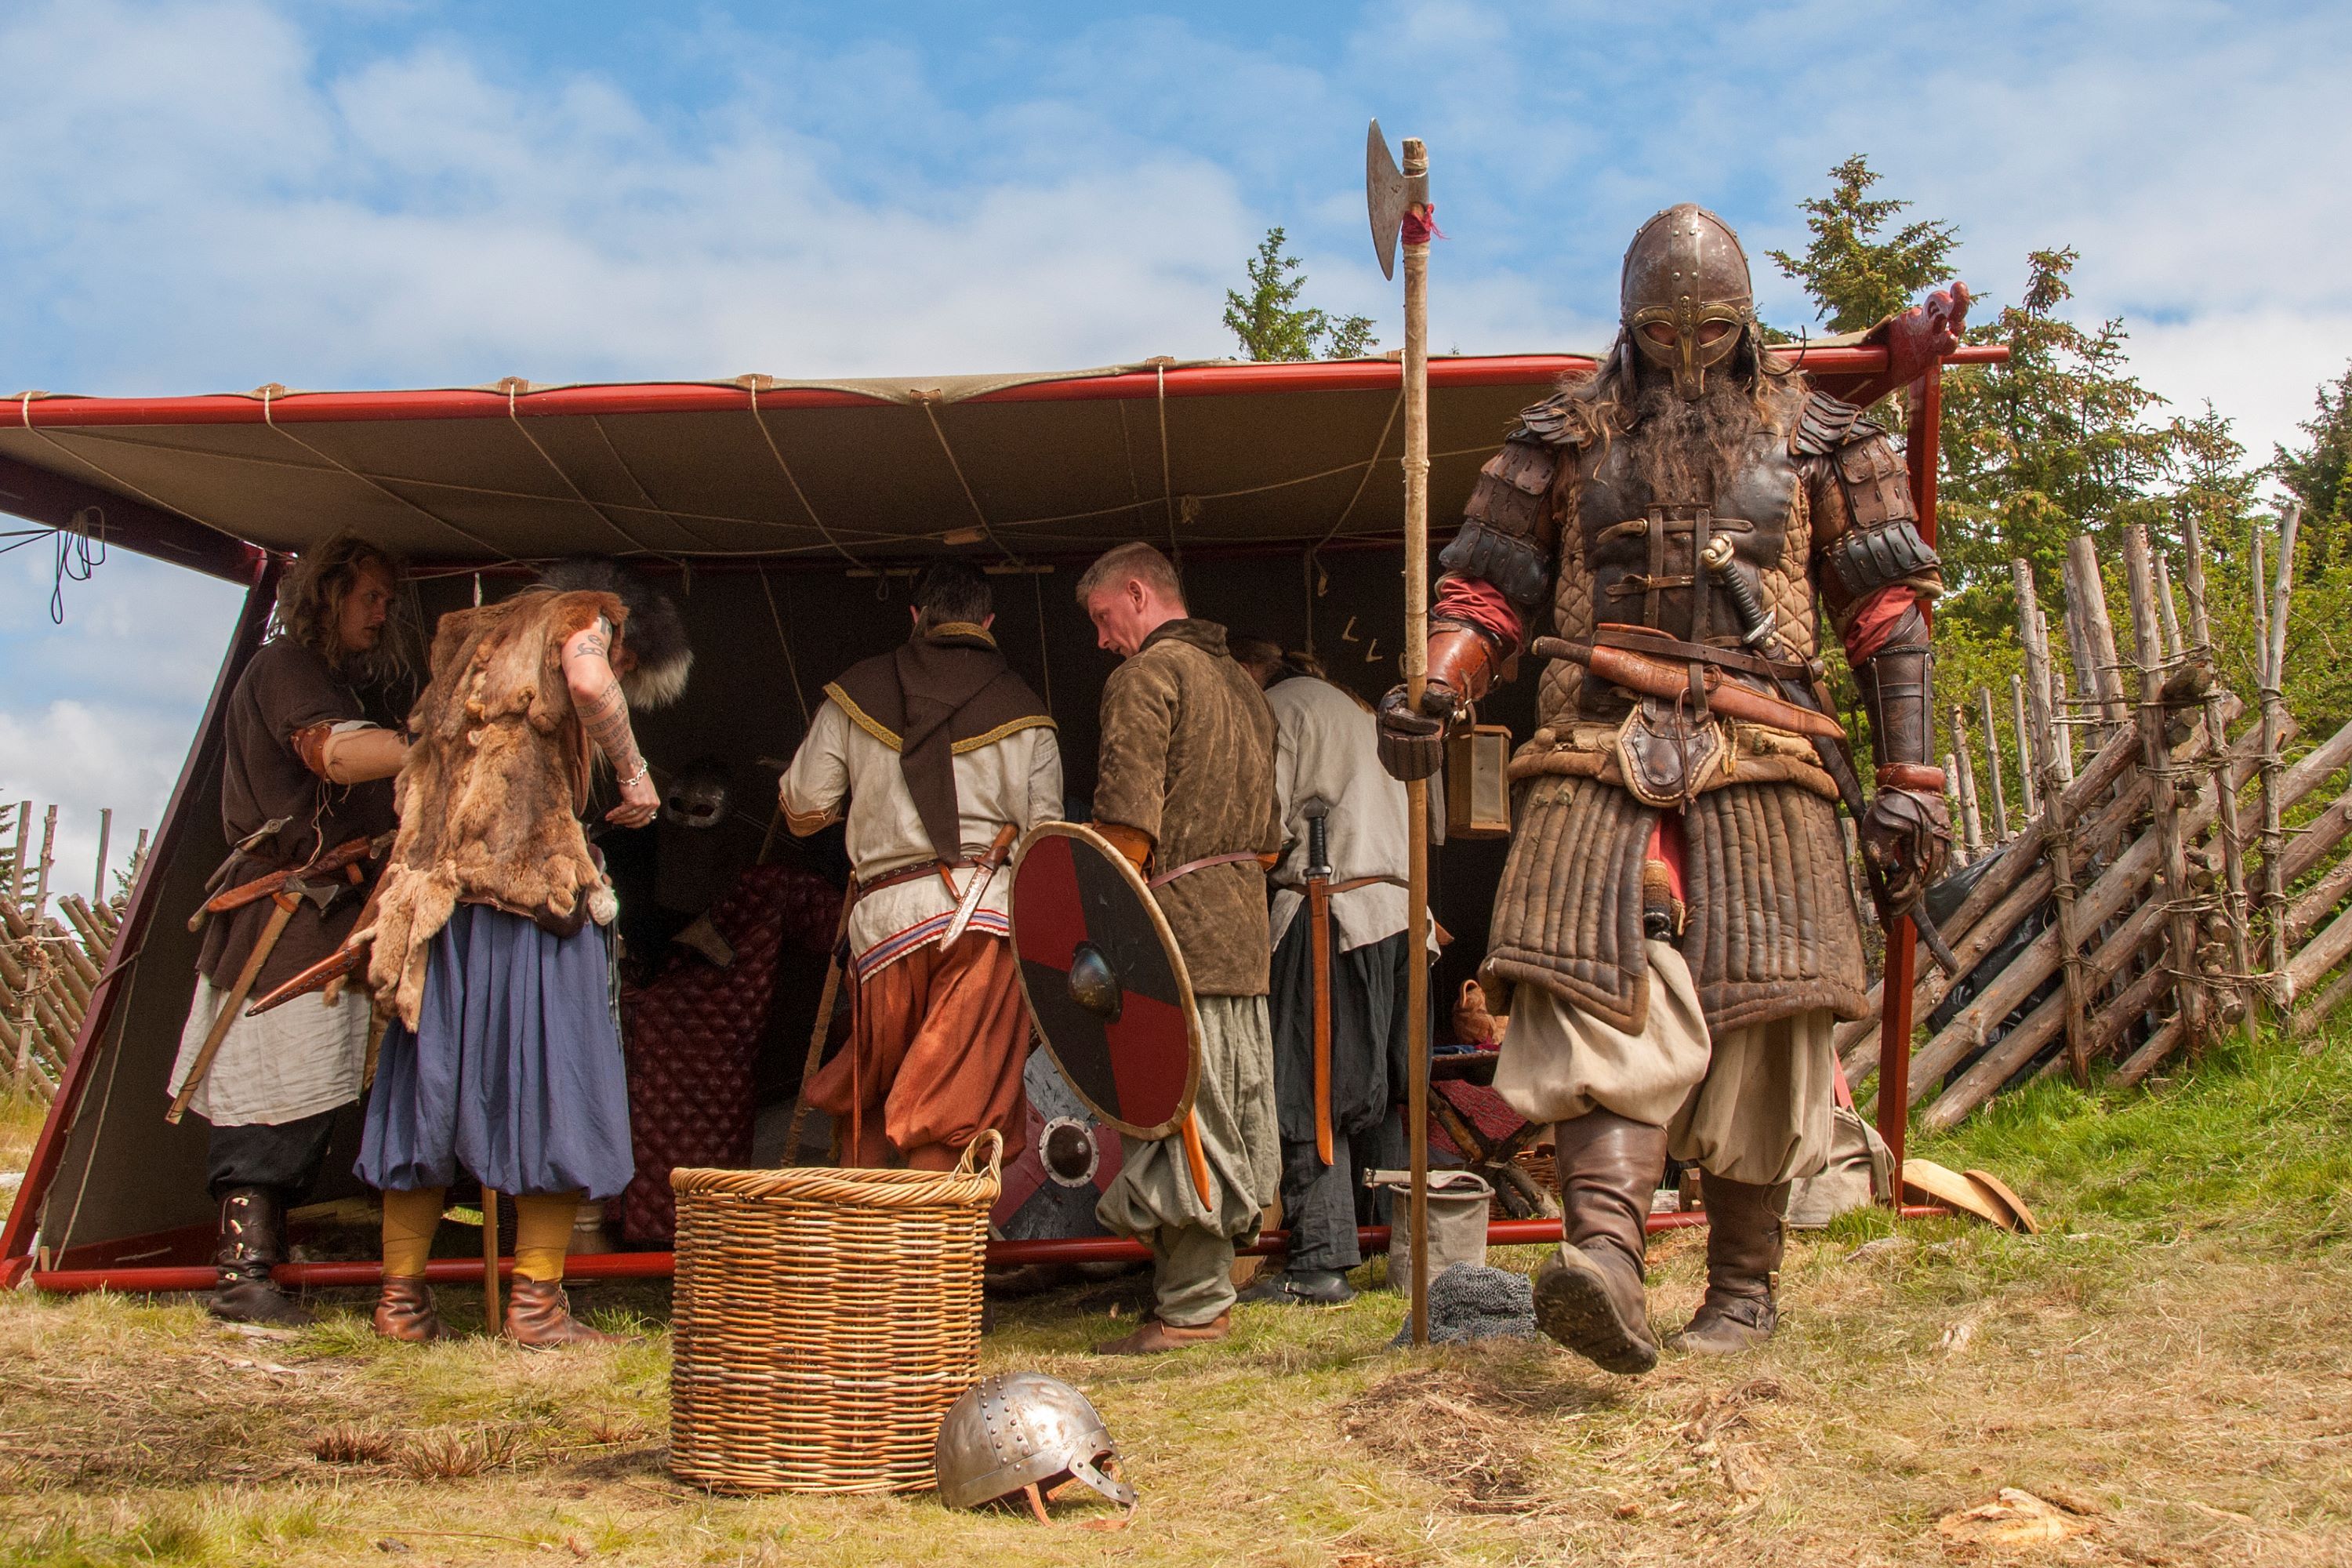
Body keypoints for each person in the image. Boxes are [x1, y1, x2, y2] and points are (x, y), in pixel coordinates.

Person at [1377, 204, 1962, 1371]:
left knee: (1769, 1012)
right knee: (1589, 986)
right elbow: (1489, 590)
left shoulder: (1823, 438)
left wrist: (1910, 774)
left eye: (1710, 325)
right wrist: (1438, 686)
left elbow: (1887, 614)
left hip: (1774, 753)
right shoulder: (1561, 438)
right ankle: (1606, 1263)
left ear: (1744, 324)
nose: (1687, 347)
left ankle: (1742, 1296)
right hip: (1598, 743)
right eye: (1661, 325)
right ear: (1627, 326)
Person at [355, 557, 691, 1346]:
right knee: (560, 1093)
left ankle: (401, 1302)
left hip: (439, 908)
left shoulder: (468, 634)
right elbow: (588, 683)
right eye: (629, 662)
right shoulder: (586, 618)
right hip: (532, 904)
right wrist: (636, 775)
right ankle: (536, 1307)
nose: (620, 667)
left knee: (422, 1103)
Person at [166, 532, 413, 1327]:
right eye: (369, 596)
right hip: (283, 921)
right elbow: (331, 754)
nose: (382, 612)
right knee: (270, 1088)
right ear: (326, 595)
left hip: (325, 910)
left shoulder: (340, 680)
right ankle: (242, 1270)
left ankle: (267, 1255)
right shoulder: (285, 669)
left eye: (385, 599)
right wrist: (427, 750)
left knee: (306, 1090)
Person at [778, 559, 1061, 1172]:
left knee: (874, 1096)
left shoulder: (856, 694)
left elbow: (803, 807)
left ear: (915, 616)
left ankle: (875, 1261)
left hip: (887, 928)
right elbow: (1046, 844)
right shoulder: (1026, 710)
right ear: (988, 620)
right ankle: (933, 1262)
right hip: (985, 922)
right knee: (957, 1103)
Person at [1078, 543, 1283, 1355]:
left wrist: (1095, 925)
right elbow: (1268, 841)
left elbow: (1125, 829)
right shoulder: (1242, 682)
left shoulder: (1146, 677)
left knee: (1179, 1115)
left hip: (1174, 939)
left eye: (1102, 618)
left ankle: (1193, 1306)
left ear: (1136, 594)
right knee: (1230, 1107)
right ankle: (1202, 1292)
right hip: (1241, 930)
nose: (1101, 639)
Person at [1231, 645, 1417, 1308]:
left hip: (1332, 917)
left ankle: (1320, 1261)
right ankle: (1392, 1244)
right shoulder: (1360, 711)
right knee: (1387, 1093)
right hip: (1399, 917)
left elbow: (1264, 829)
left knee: (1312, 1088)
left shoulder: (1280, 709)